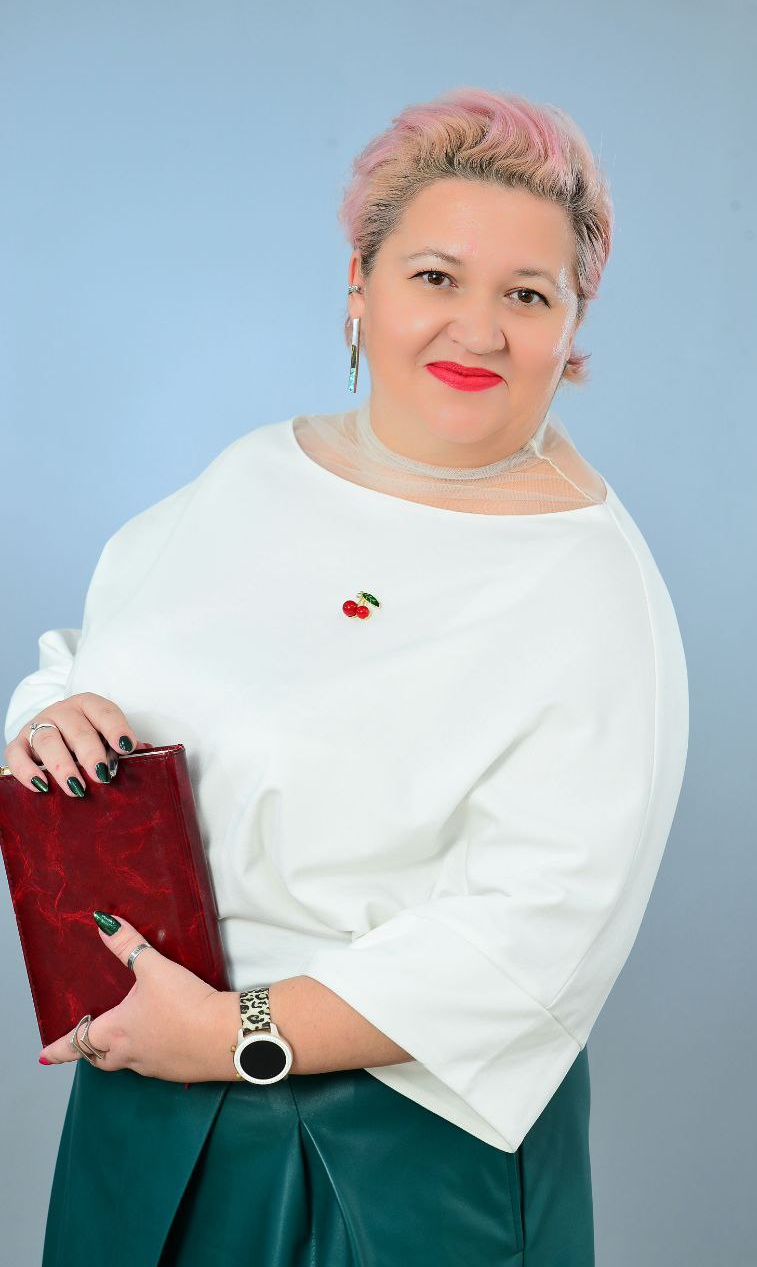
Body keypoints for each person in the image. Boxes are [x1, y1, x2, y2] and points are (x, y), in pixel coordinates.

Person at [3, 86, 689, 1266]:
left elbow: (531, 937)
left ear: (571, 328)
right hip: (142, 1099)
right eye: (436, 276)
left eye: (527, 295)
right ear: (359, 288)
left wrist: (234, 1032)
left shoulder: (585, 584)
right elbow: (100, 659)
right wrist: (53, 717)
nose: (478, 330)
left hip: (383, 1153)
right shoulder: (256, 473)